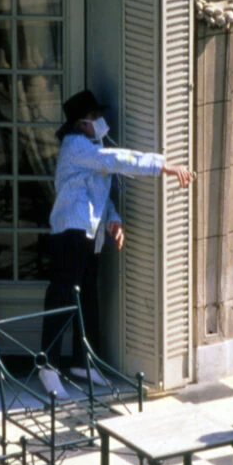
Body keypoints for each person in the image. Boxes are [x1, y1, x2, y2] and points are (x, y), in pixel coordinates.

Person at [38, 89, 192, 399]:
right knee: (62, 295)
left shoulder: (90, 146)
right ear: (82, 124)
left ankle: (84, 361)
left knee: (88, 296)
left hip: (89, 233)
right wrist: (162, 166)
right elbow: (115, 160)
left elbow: (99, 193)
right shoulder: (77, 146)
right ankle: (47, 365)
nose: (101, 122)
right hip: (71, 230)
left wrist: (114, 218)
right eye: (95, 117)